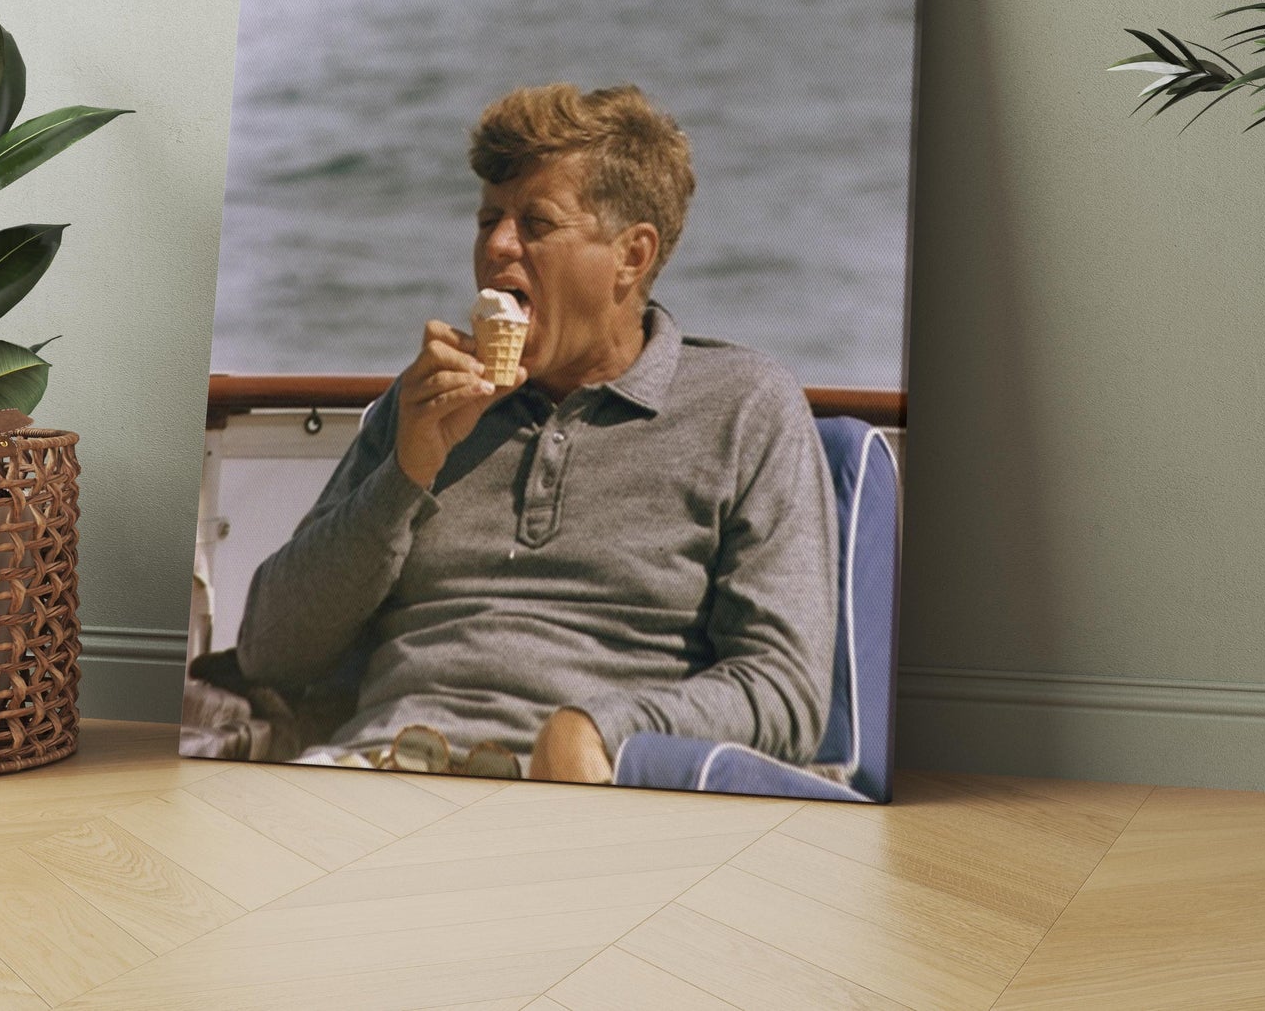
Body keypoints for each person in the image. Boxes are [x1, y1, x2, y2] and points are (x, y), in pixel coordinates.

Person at [235, 83, 838, 784]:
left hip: (583, 792)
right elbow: (269, 652)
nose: (496, 245)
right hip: (377, 765)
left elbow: (787, 691)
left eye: (535, 223)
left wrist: (603, 728)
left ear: (631, 256)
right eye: (488, 217)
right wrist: (405, 474)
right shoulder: (425, 402)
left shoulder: (745, 405)